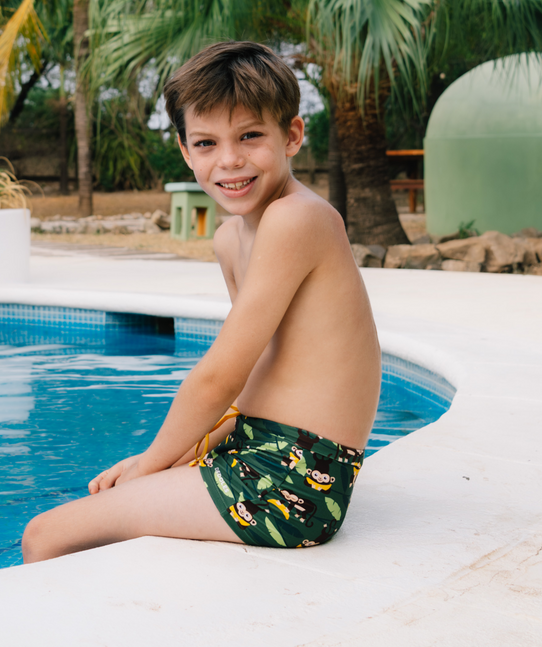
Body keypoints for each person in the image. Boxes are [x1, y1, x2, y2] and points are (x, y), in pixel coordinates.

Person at [22, 41, 380, 561]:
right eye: (207, 143)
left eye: (251, 136)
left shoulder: (298, 219)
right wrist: (186, 451)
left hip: (295, 481)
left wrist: (149, 464)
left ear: (293, 136)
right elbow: (260, 372)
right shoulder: (231, 240)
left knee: (45, 536)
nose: (230, 160)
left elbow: (221, 374)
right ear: (186, 152)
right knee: (116, 498)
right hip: (252, 450)